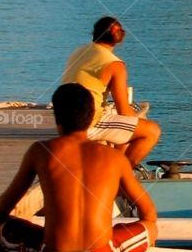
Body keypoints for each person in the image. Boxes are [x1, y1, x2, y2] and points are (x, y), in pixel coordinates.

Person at [0, 83, 158, 252]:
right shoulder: (115, 158)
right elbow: (148, 214)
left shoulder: (40, 151)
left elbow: (2, 209)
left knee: (4, 225)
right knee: (150, 227)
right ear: (92, 116)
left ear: (57, 118)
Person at [61, 16, 160, 169]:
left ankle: (112, 167)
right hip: (88, 123)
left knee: (125, 128)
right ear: (120, 37)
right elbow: (124, 112)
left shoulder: (80, 51)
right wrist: (139, 118)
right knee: (151, 131)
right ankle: (120, 176)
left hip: (64, 121)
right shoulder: (114, 64)